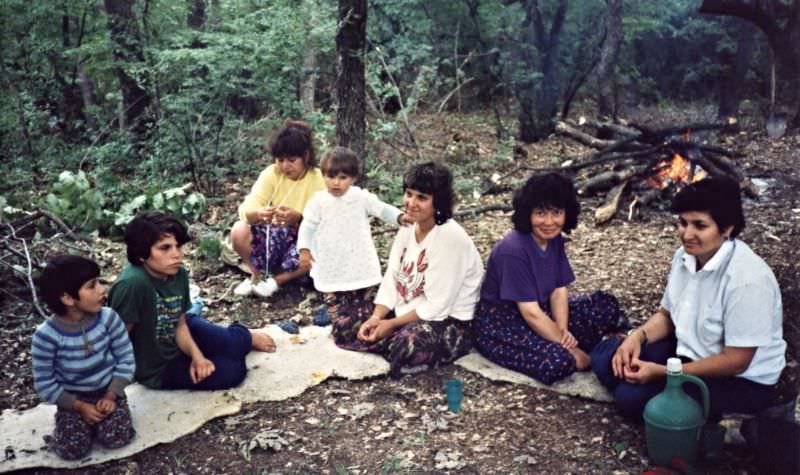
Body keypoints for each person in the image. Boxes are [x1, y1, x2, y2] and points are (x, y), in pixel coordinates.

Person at [591, 177, 787, 422]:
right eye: (683, 223)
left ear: (726, 229)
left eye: (700, 225)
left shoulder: (747, 280)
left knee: (630, 399)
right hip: (689, 351)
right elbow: (667, 316)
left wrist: (664, 374)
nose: (687, 234)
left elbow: (737, 361)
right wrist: (637, 338)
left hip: (739, 380)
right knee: (606, 355)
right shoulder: (684, 257)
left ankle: (727, 419)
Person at [330, 161, 484, 377]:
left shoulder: (450, 237)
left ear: (438, 202)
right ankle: (386, 342)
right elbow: (393, 279)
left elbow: (437, 306)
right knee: (344, 324)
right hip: (407, 309)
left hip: (448, 321)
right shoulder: (409, 226)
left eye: (422, 198)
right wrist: (376, 318)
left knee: (408, 345)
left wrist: (390, 324)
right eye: (409, 194)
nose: (411, 203)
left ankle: (391, 345)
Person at [473, 173, 626, 384]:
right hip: (504, 325)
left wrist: (562, 331)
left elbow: (558, 289)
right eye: (540, 213)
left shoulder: (554, 241)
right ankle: (584, 345)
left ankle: (579, 342)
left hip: (541, 310)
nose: (549, 222)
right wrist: (570, 348)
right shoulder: (512, 250)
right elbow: (531, 314)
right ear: (528, 214)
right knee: (558, 360)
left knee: (605, 305)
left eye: (556, 213)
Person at [108, 211, 276, 391]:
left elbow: (180, 324)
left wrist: (197, 357)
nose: (176, 254)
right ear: (141, 253)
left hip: (183, 330)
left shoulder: (177, 273)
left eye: (178, 246)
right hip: (157, 367)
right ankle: (237, 341)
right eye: (165, 248)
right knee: (233, 370)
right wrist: (112, 387)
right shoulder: (132, 284)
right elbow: (117, 340)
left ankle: (244, 336)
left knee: (232, 345)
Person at [32, 255, 136, 460]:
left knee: (116, 437)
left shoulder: (109, 319)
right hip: (73, 400)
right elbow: (44, 383)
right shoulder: (45, 336)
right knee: (71, 450)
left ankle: (102, 420)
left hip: (108, 393)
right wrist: (78, 406)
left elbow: (126, 359)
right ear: (68, 298)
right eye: (92, 286)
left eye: (99, 282)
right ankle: (69, 423)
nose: (101, 290)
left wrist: (111, 395)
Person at [297, 146, 411, 313]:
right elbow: (307, 226)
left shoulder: (360, 197)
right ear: (323, 176)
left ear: (353, 178)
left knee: (359, 286)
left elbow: (381, 209)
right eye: (330, 176)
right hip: (330, 252)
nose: (336, 183)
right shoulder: (318, 201)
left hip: (357, 251)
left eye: (343, 178)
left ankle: (360, 307)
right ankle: (333, 308)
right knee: (332, 284)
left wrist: (399, 217)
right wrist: (304, 249)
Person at [231, 120, 326, 298]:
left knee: (320, 245)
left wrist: (298, 218)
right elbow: (248, 206)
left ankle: (278, 281)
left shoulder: (318, 179)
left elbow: (325, 221)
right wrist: (257, 213)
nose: (285, 166)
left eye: (291, 160)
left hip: (303, 239)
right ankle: (258, 276)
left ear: (305, 156)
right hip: (275, 236)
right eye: (280, 160)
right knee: (239, 230)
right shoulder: (272, 173)